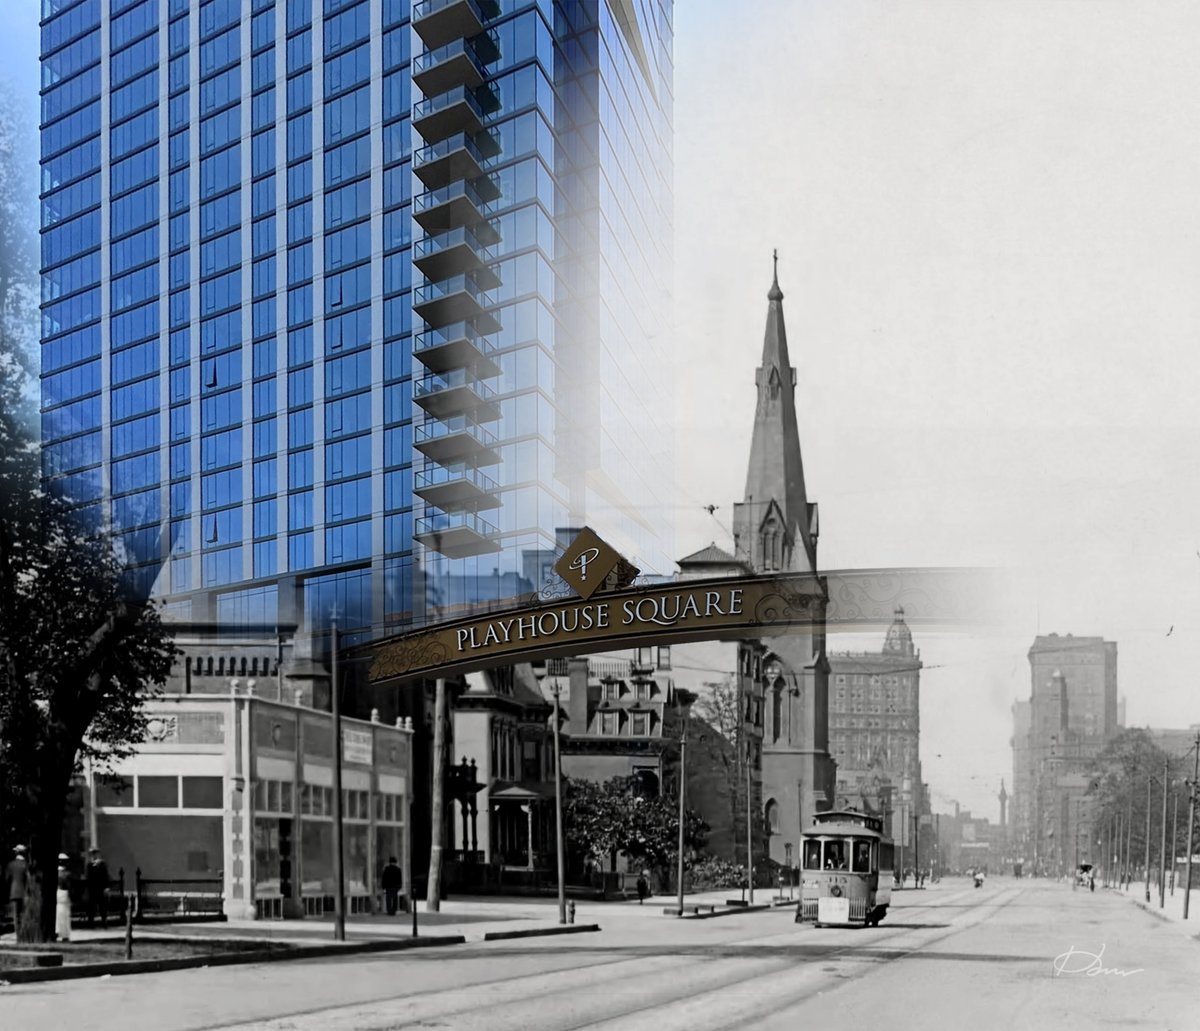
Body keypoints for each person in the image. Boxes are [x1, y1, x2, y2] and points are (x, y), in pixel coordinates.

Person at [4, 845, 29, 938]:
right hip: (25, 892)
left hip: (14, 892)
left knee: (16, 915)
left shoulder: (10, 865)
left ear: (16, 853)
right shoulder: (26, 864)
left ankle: (18, 933)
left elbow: (7, 879)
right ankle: (23, 932)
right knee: (24, 914)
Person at [85, 848, 110, 929]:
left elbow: (106, 876)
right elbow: (88, 877)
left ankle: (104, 922)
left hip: (101, 888)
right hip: (92, 889)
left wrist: (106, 887)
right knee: (91, 907)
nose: (93, 855)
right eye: (92, 854)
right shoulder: (89, 865)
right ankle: (91, 923)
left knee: (102, 906)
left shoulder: (102, 864)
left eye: (95, 854)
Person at [55, 853, 72, 942]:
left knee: (58, 914)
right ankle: (64, 934)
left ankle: (57, 931)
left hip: (57, 893)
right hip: (64, 894)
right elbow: (69, 886)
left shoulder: (56, 872)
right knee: (64, 915)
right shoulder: (66, 873)